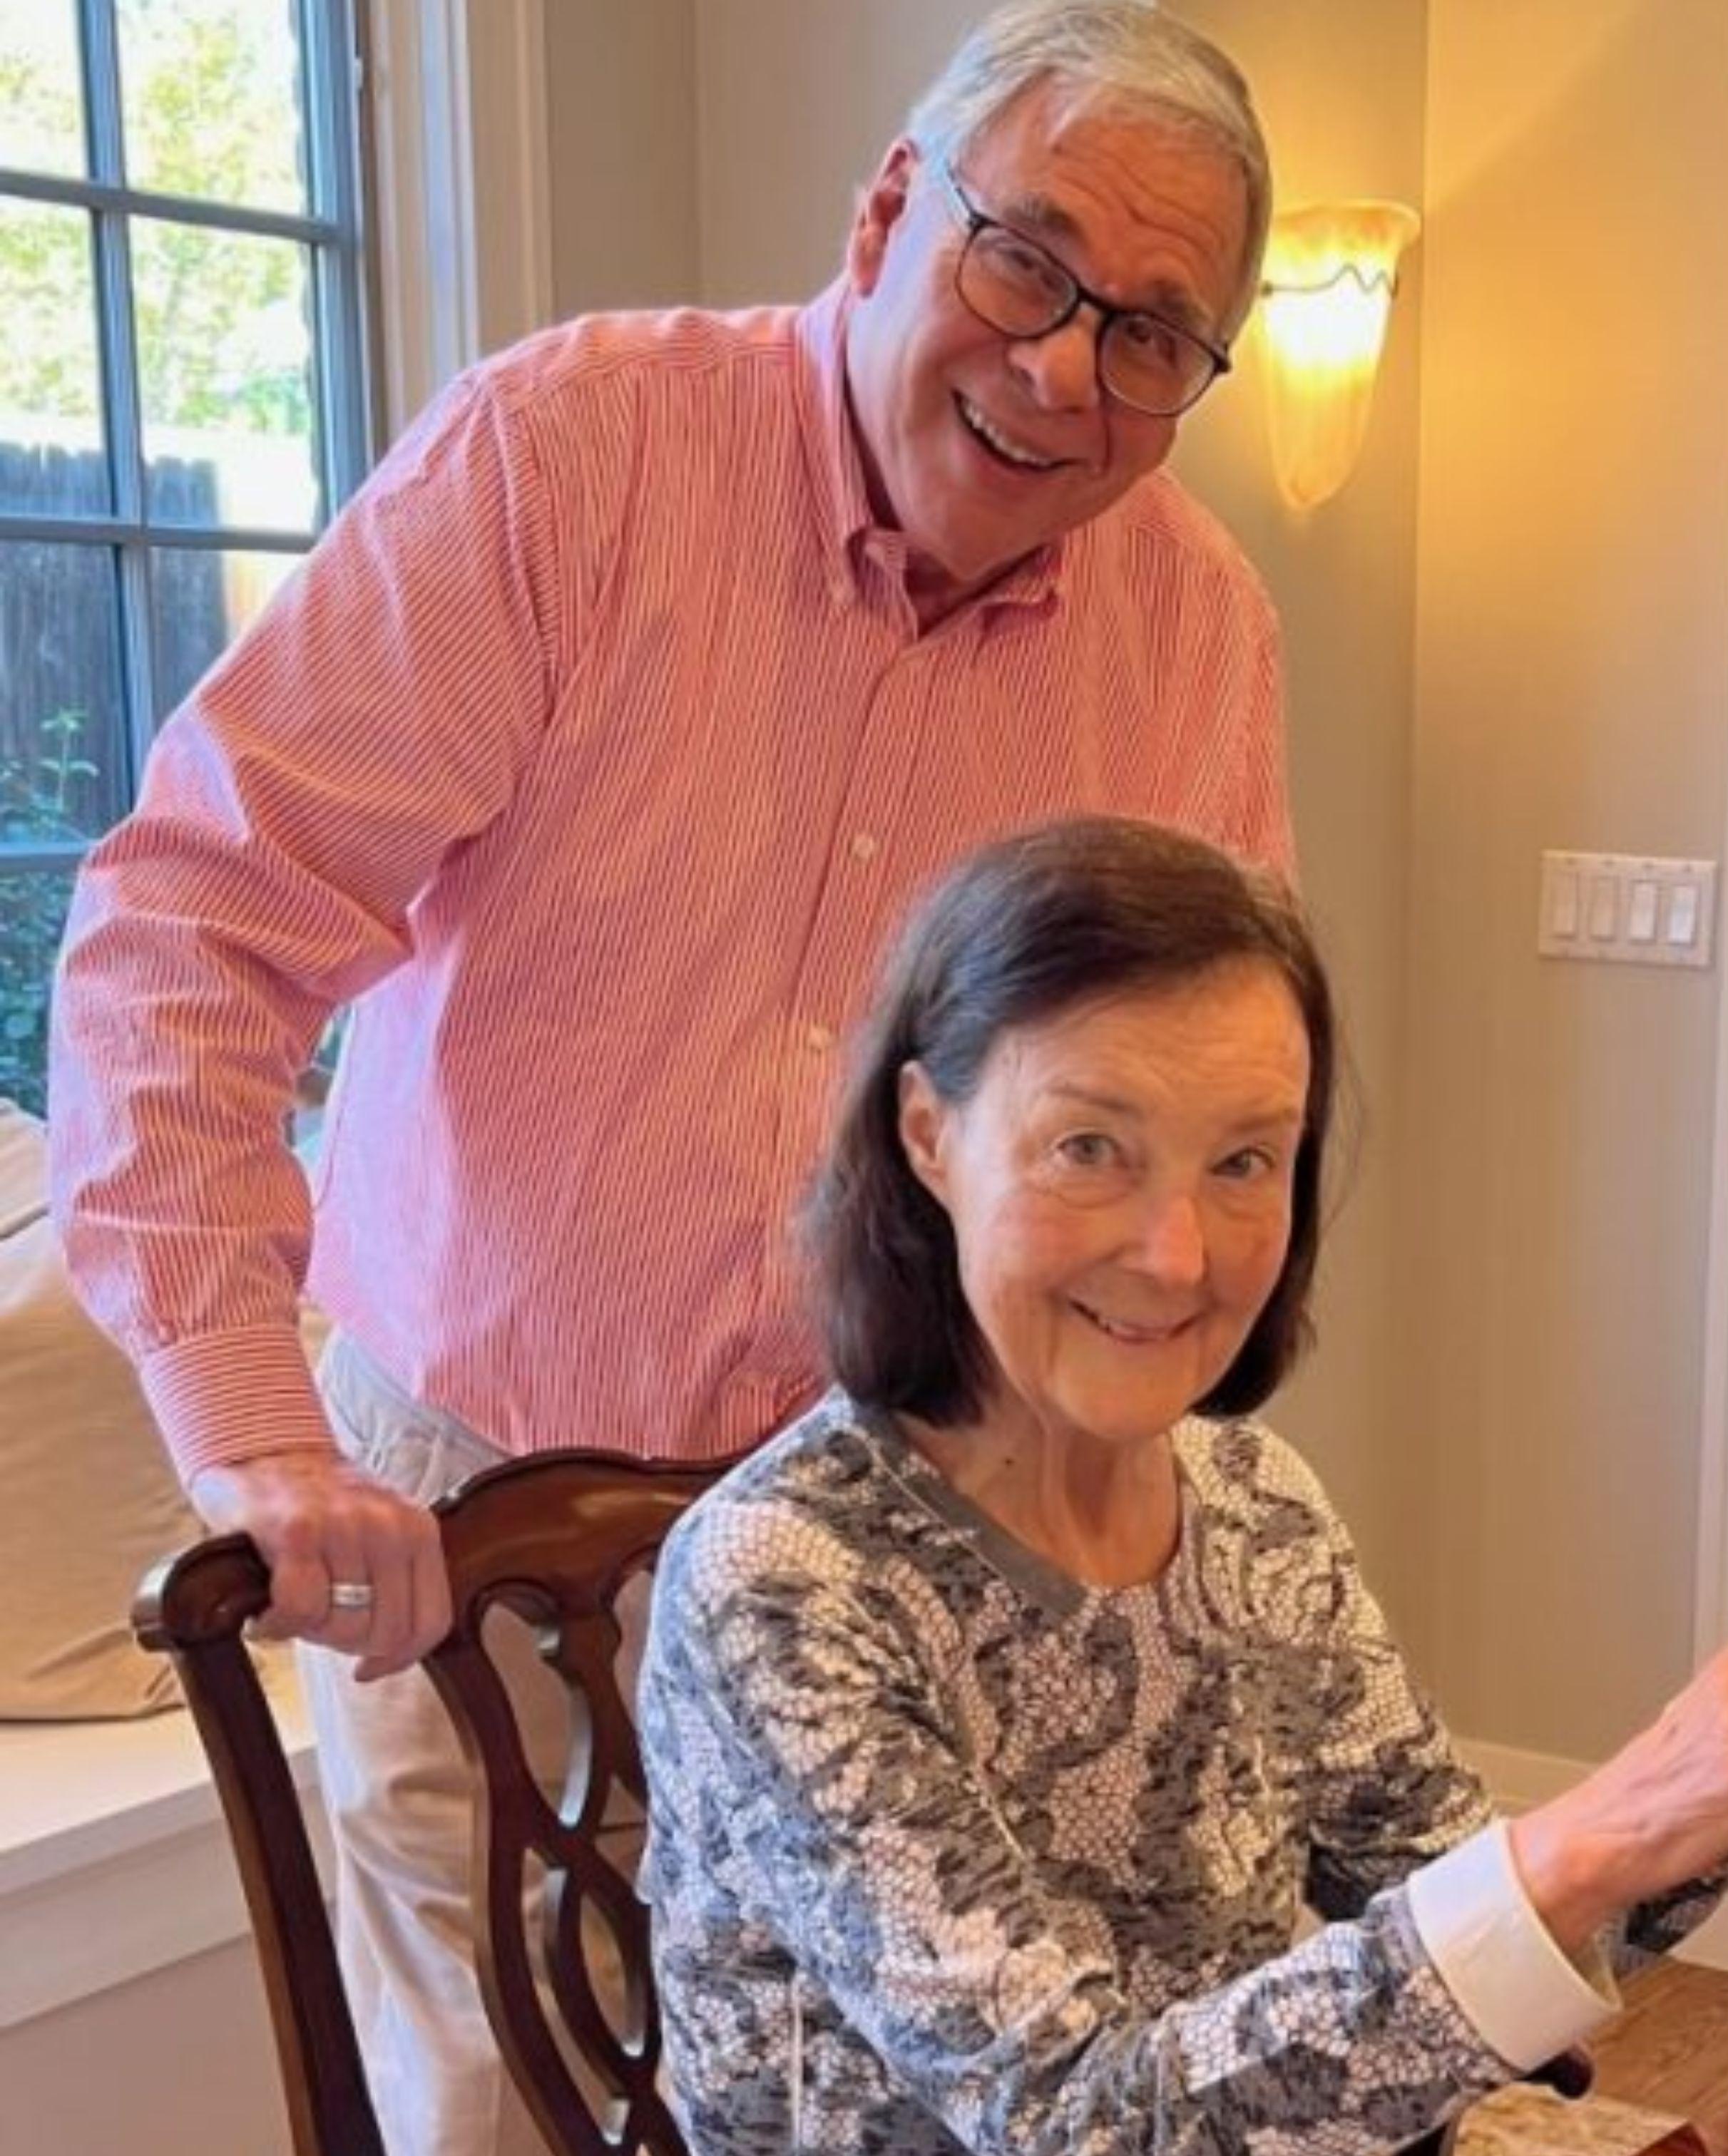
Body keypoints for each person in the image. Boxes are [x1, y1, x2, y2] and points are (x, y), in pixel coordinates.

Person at [46, 7, 1287, 2151]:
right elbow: (193, 926)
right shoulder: (571, 457)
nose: (1070, 369)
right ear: (893, 210)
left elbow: (1176, 1113)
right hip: (469, 1509)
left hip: (899, 1547)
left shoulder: (1193, 632)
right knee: (502, 2111)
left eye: (1159, 332)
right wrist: (255, 1428)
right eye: (1028, 263)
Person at [639, 816, 1728, 2155]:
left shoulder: (1249, 1502)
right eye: (1089, 1148)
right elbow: (1087, 2126)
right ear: (930, 1134)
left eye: (1244, 1162)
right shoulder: (787, 1583)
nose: (1178, 1256)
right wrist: (1616, 1812)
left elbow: (1452, 1898)